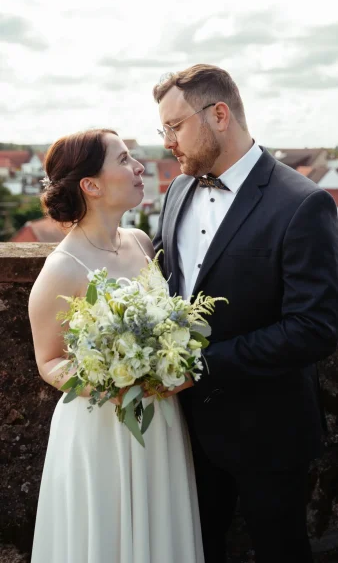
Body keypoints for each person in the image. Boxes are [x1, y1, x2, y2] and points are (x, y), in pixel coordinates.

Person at [152, 64, 338, 563]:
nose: (167, 141)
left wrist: (200, 366)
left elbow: (315, 328)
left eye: (174, 126)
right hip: (183, 433)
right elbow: (162, 283)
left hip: (269, 433)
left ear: (218, 115)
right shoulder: (176, 191)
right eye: (163, 129)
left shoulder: (303, 203)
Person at [28, 128, 204, 563]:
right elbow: (49, 361)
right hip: (102, 429)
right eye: (124, 159)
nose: (139, 166)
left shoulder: (142, 243)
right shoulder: (62, 269)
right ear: (91, 185)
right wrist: (114, 383)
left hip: (159, 421)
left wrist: (168, 367)